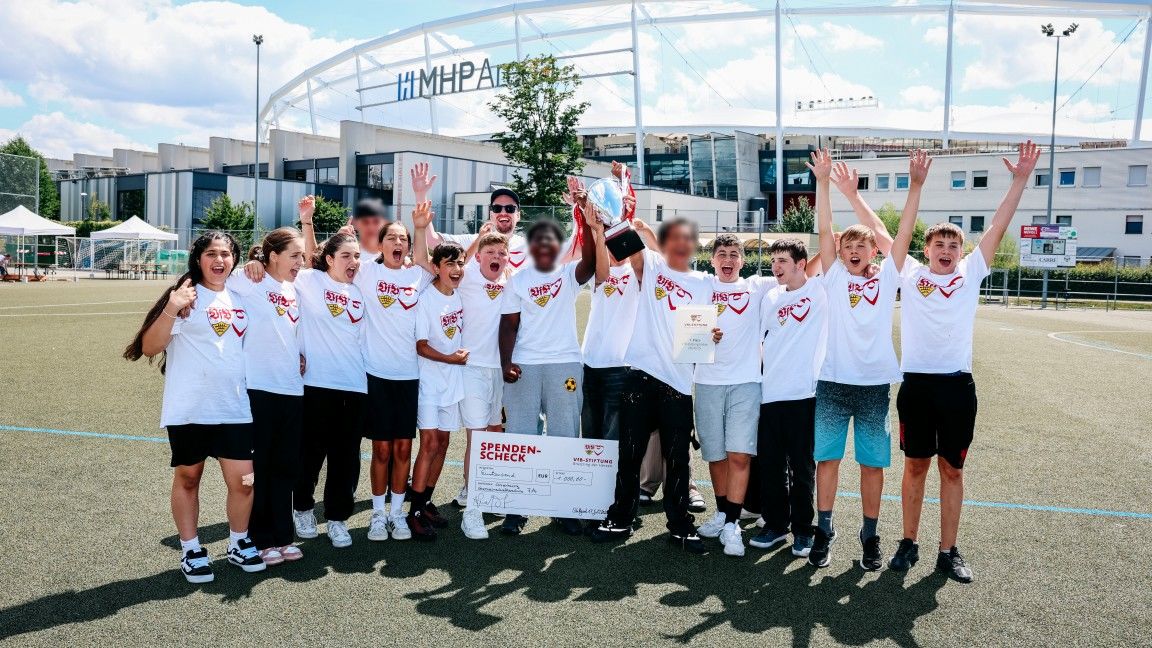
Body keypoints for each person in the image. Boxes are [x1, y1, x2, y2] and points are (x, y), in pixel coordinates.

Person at [886, 142, 1039, 583]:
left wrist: (1020, 180)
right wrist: (915, 186)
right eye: (940, 243)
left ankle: (948, 550)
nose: (948, 249)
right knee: (915, 466)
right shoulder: (910, 275)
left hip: (957, 387)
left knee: (952, 469)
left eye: (954, 243)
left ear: (961, 251)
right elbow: (889, 232)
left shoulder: (971, 272)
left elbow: (998, 222)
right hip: (916, 385)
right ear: (928, 249)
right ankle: (908, 542)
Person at [805, 148, 925, 570]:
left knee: (872, 466)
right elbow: (824, 228)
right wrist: (823, 183)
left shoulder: (889, 275)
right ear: (840, 251)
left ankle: (869, 535)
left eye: (863, 245)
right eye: (848, 244)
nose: (854, 250)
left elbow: (905, 232)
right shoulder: (834, 276)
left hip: (874, 386)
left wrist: (915, 187)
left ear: (875, 251)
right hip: (834, 383)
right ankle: (824, 529)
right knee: (828, 461)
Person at [123, 231, 265, 583]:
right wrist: (172, 306)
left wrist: (258, 263)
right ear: (198, 258)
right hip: (190, 408)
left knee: (245, 481)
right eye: (211, 254)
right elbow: (150, 347)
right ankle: (191, 550)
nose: (219, 260)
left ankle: (238, 542)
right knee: (189, 478)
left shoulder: (241, 294)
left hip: (234, 407)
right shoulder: (185, 296)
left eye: (226, 254)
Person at [591, 218, 722, 554]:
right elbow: (623, 245)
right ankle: (620, 517)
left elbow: (713, 323)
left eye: (687, 239)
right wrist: (606, 218)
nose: (680, 244)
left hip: (678, 383)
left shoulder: (705, 282)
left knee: (677, 459)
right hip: (640, 374)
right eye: (674, 238)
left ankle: (680, 525)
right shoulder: (650, 265)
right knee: (629, 454)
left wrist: (713, 333)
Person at [498, 205, 599, 536]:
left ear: (558, 247)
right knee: (520, 437)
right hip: (525, 365)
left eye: (551, 241)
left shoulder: (568, 273)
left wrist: (586, 220)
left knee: (565, 435)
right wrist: (506, 363)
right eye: (538, 241)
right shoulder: (518, 281)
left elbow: (592, 263)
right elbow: (509, 325)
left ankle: (564, 508)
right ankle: (516, 509)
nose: (544, 246)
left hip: (564, 364)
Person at [352, 205, 433, 543]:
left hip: (409, 377)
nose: (398, 243)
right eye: (392, 238)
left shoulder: (418, 274)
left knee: (402, 451)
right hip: (376, 375)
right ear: (380, 244)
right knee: (382, 450)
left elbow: (431, 264)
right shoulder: (366, 272)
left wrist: (419, 227)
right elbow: (324, 261)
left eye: (404, 239)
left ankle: (398, 514)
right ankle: (376, 515)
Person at [693, 234, 777, 557]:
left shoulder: (757, 288)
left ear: (742, 260)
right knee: (715, 454)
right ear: (711, 259)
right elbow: (685, 330)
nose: (727, 260)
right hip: (708, 381)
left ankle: (731, 524)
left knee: (740, 455)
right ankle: (722, 513)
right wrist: (703, 334)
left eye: (733, 254)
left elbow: (799, 274)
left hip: (745, 382)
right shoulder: (701, 286)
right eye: (721, 254)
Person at [228, 227, 307, 566]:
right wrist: (248, 266)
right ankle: (259, 539)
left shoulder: (294, 289)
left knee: (285, 466)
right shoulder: (249, 281)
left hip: (292, 389)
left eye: (303, 256)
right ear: (273, 255)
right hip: (258, 388)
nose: (301, 262)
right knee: (260, 467)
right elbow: (218, 279)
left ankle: (282, 536)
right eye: (294, 255)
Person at [747, 238, 828, 560]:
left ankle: (803, 531)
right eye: (774, 260)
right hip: (770, 394)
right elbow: (764, 340)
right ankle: (777, 525)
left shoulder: (820, 292)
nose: (775, 266)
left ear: (800, 263)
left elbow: (832, 264)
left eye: (782, 260)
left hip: (804, 395)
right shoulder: (771, 298)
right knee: (771, 466)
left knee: (802, 468)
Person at [290, 232, 367, 549]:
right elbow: (278, 272)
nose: (354, 262)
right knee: (310, 455)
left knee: (346, 459)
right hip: (317, 385)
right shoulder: (310, 281)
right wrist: (255, 264)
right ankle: (303, 509)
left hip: (356, 385)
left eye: (357, 256)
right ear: (330, 259)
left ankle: (337, 519)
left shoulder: (362, 290)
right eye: (346, 256)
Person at [449, 230, 512, 540]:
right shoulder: (469, 275)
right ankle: (472, 510)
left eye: (502, 254)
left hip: (499, 372)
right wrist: (480, 238)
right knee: (477, 438)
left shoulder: (510, 280)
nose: (497, 259)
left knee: (495, 434)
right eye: (491, 253)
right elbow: (453, 260)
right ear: (478, 257)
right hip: (472, 368)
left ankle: (486, 491)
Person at [407, 237, 469, 540]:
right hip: (430, 382)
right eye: (450, 264)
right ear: (436, 268)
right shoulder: (426, 299)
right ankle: (414, 512)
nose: (456, 269)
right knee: (429, 443)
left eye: (460, 263)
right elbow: (421, 346)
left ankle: (427, 500)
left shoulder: (458, 296)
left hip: (451, 382)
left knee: (443, 443)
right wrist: (449, 359)